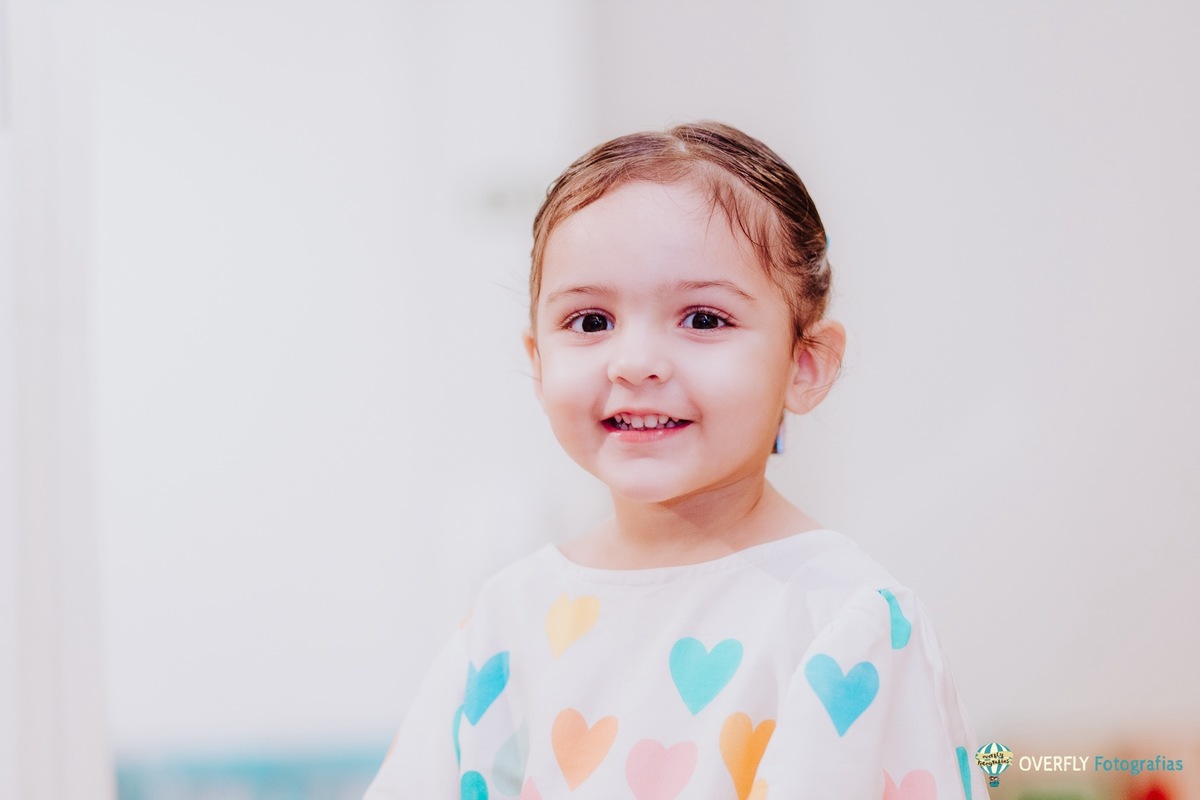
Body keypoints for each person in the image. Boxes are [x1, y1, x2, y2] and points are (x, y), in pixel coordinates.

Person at [364, 122, 988, 800]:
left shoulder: (843, 620)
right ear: (538, 362)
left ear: (804, 364)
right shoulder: (506, 619)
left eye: (704, 319)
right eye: (591, 322)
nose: (635, 364)